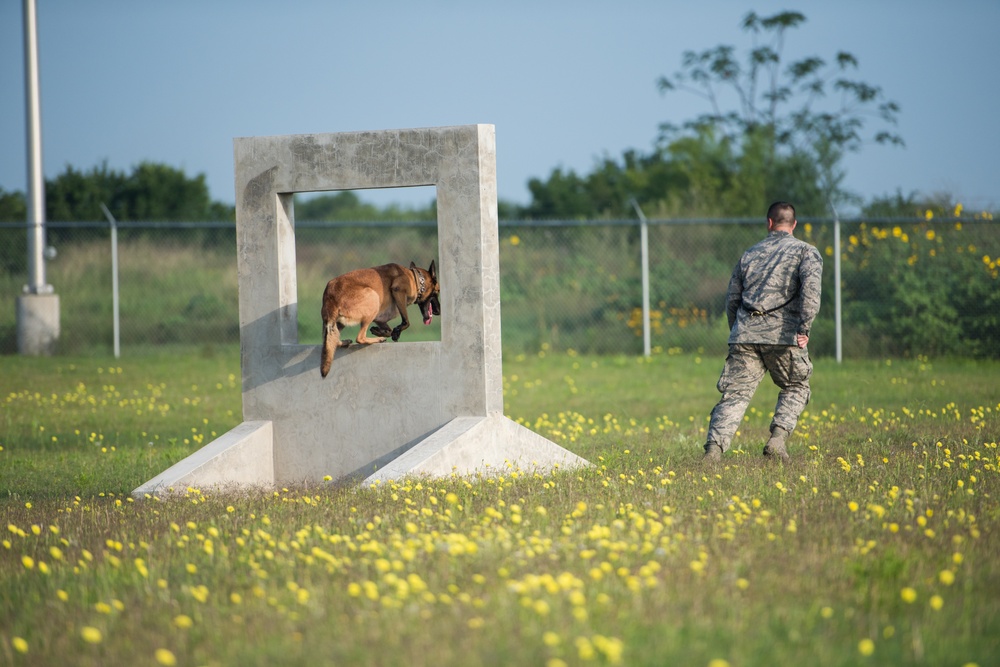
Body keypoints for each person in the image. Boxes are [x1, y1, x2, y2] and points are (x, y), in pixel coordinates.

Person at [702, 201, 823, 462]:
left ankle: (713, 452)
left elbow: (732, 299)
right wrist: (804, 328)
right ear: (794, 224)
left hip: (744, 334)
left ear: (769, 223)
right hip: (784, 336)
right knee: (796, 385)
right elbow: (811, 294)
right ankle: (777, 441)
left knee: (735, 395)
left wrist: (738, 330)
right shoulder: (806, 252)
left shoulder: (749, 254)